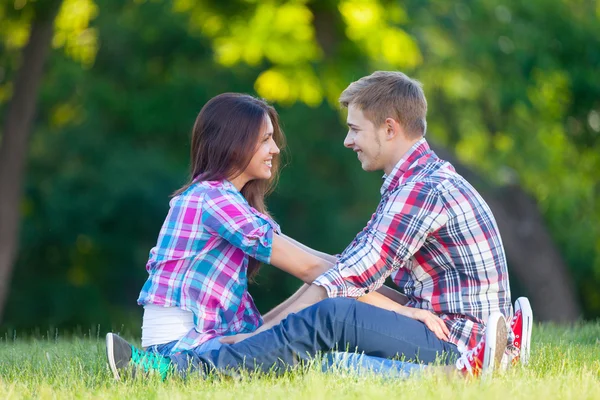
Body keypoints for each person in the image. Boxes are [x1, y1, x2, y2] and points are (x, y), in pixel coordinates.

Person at [106, 71, 533, 380]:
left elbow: (337, 273)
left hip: (453, 336)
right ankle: (474, 368)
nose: (347, 141)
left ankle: (173, 374)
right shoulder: (213, 198)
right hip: (452, 332)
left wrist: (263, 334)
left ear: (389, 129)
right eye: (266, 139)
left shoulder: (419, 189)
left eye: (354, 129)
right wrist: (264, 335)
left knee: (327, 317)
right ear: (234, 143)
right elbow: (339, 269)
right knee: (315, 348)